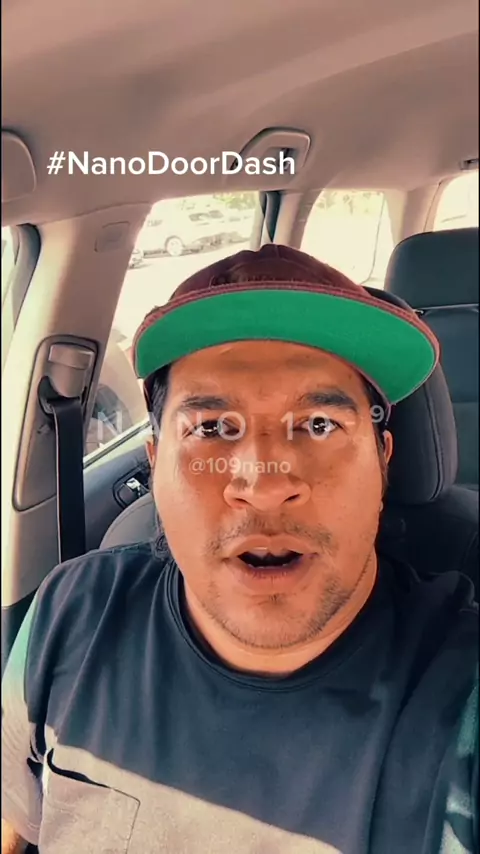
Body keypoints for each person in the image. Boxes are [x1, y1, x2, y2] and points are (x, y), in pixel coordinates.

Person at [2, 244, 477, 854]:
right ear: (155, 465)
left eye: (319, 425)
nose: (264, 484)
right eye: (211, 428)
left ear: (383, 463)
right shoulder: (73, 610)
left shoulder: (460, 693)